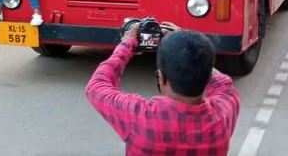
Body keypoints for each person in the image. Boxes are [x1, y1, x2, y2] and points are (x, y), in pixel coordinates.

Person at [85, 23, 240, 155]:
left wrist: (128, 42)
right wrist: (185, 43)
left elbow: (96, 86)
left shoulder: (140, 117)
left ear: (161, 78)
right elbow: (223, 83)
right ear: (207, 78)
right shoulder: (223, 114)